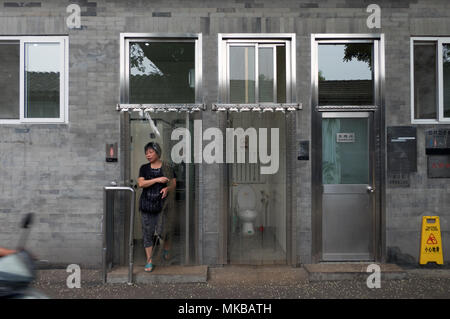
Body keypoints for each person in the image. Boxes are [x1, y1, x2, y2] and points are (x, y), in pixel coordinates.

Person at [137, 142, 176, 272]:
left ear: (157, 152)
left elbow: (174, 184)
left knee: (163, 231)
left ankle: (166, 248)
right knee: (147, 233)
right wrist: (157, 180)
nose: (148, 155)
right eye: (146, 152)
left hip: (162, 206)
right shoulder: (144, 168)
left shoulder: (167, 167)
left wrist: (167, 188)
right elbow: (141, 184)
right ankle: (149, 260)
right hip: (147, 205)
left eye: (150, 152)